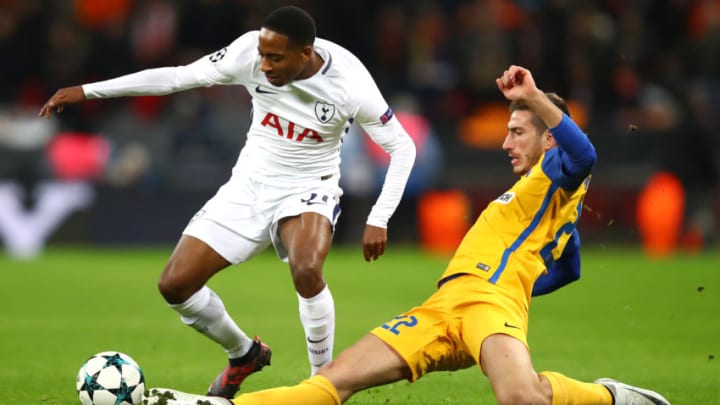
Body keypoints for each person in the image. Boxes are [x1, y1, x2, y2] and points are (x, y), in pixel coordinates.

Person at [142, 65, 671, 405]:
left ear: (548, 137)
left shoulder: (558, 170)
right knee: (330, 385)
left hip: (488, 305)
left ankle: (609, 398)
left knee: (522, 399)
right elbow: (569, 264)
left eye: (518, 131)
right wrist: (526, 278)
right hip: (442, 307)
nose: (507, 142)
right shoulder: (543, 202)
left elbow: (586, 156)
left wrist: (533, 93)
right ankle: (199, 404)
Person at [39, 5, 416, 400]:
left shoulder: (350, 82)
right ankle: (244, 354)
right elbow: (177, 78)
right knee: (175, 285)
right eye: (262, 54)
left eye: (275, 57)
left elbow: (402, 148)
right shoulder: (248, 54)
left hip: (310, 186)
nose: (264, 64)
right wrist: (87, 90)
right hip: (249, 186)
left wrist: (379, 217)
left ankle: (322, 384)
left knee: (307, 270)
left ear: (305, 53)